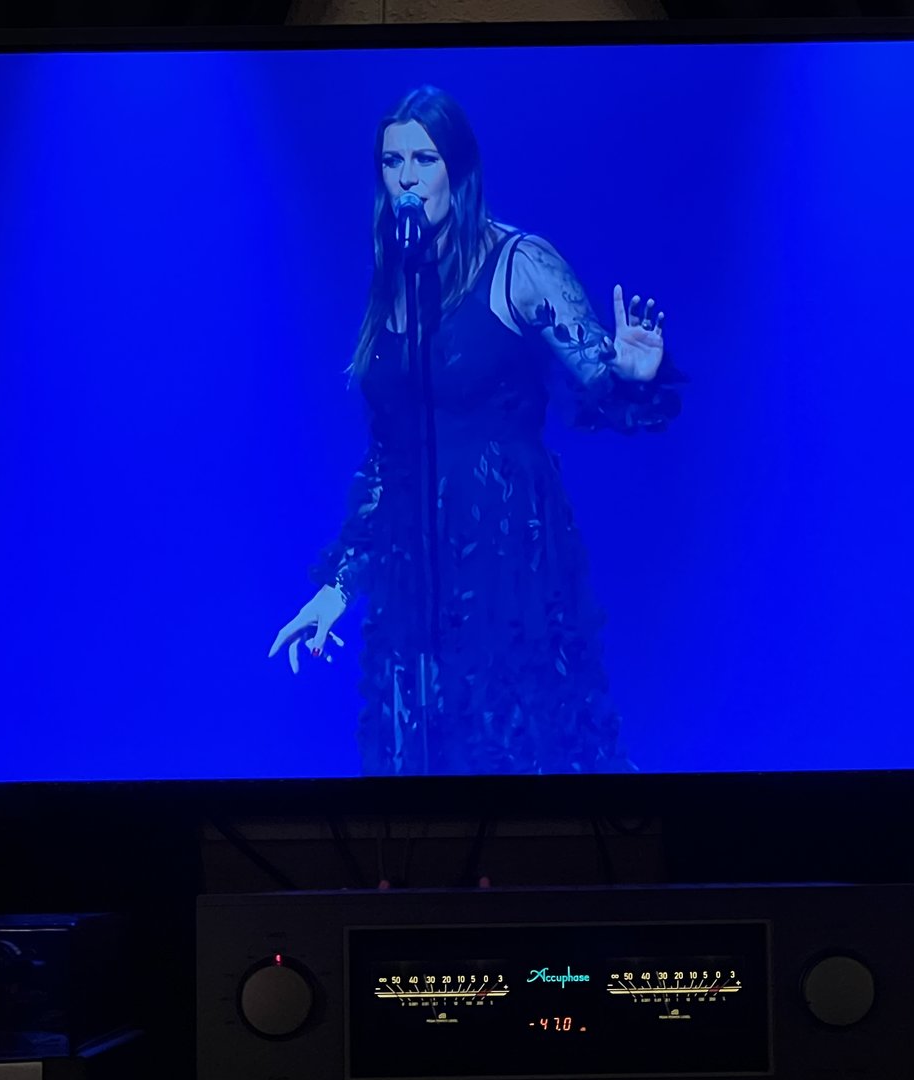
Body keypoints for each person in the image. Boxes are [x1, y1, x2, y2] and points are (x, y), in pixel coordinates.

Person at [269, 85, 682, 776]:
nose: (406, 178)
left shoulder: (519, 263)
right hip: (416, 574)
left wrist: (637, 373)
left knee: (514, 750)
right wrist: (336, 588)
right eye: (392, 161)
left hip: (505, 558)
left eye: (424, 159)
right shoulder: (395, 285)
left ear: (457, 171)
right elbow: (389, 462)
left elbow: (600, 384)